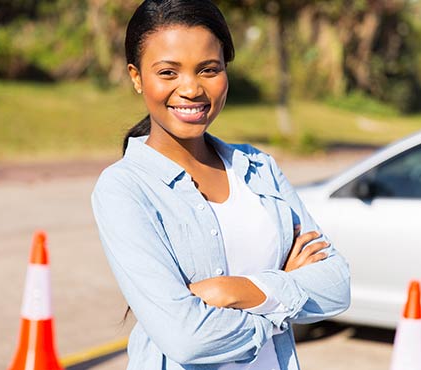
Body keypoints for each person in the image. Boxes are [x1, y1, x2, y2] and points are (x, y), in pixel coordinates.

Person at [91, 1, 350, 369]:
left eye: (208, 69)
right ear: (136, 77)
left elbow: (337, 286)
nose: (191, 88)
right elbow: (187, 339)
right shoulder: (124, 189)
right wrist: (281, 296)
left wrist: (230, 291)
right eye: (168, 72)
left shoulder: (259, 169)